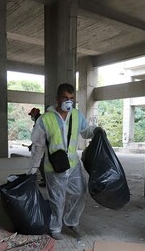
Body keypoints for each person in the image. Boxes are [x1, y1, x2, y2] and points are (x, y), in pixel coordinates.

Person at [28, 83, 98, 240]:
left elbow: (86, 132)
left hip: (73, 164)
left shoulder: (77, 115)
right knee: (57, 198)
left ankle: (72, 221)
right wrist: (33, 168)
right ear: (57, 98)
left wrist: (96, 130)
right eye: (65, 98)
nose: (69, 101)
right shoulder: (45, 119)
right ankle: (55, 227)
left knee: (79, 192)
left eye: (71, 98)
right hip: (54, 166)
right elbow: (38, 145)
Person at [27, 107, 46, 186]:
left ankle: (45, 181)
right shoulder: (38, 121)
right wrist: (32, 145)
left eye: (32, 115)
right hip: (39, 145)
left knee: (39, 164)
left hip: (41, 146)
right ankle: (45, 179)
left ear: (35, 114)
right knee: (39, 163)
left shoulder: (41, 121)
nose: (31, 117)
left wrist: (34, 144)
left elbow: (40, 136)